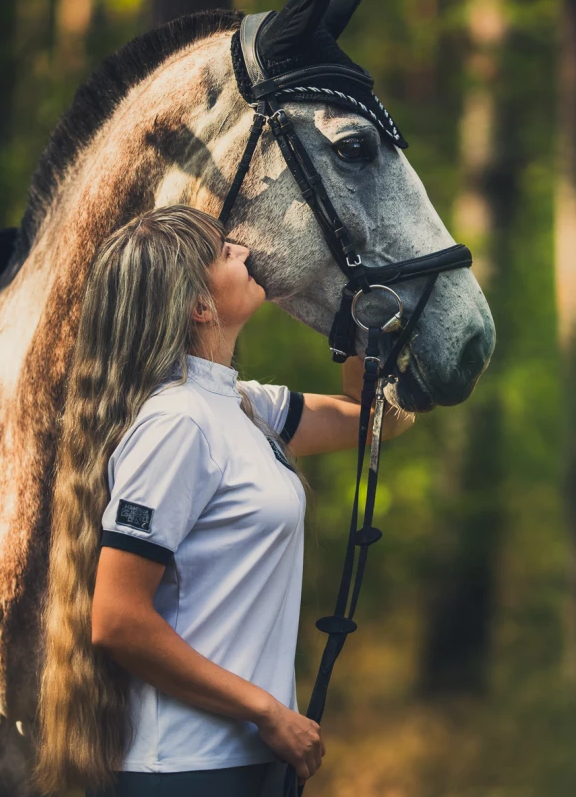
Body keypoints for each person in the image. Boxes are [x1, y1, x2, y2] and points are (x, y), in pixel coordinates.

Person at [31, 205, 414, 797]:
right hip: (189, 768)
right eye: (222, 252)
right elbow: (116, 620)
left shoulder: (238, 403)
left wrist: (360, 317)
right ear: (198, 306)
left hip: (246, 760)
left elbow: (375, 424)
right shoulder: (178, 424)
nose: (243, 250)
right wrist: (267, 712)